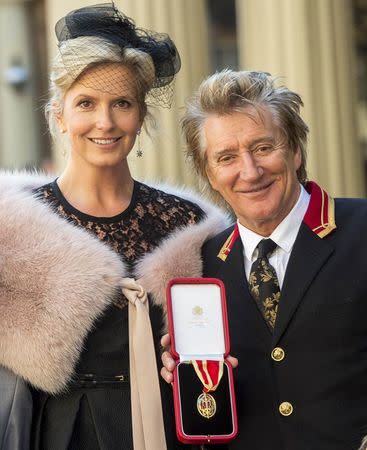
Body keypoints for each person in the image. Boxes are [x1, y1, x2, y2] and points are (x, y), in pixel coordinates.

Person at [0, 3, 230, 450]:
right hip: (53, 431)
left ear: (140, 116)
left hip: (168, 425)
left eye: (121, 103)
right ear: (59, 114)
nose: (105, 122)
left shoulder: (190, 226)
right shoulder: (11, 223)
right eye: (86, 103)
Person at [154, 69, 367, 450]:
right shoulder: (203, 266)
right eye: (227, 157)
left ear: (296, 150)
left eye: (263, 147)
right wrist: (184, 376)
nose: (249, 172)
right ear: (209, 173)